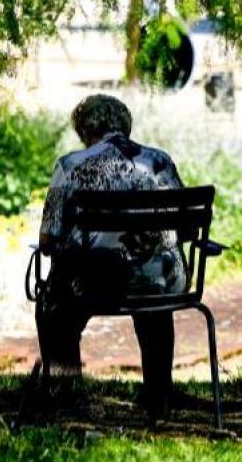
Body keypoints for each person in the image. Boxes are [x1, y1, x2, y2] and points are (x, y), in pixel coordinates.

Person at [36, 94, 187, 415]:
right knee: (154, 308)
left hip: (94, 285)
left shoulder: (70, 166)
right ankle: (158, 399)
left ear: (85, 131)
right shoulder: (160, 162)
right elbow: (184, 227)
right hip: (160, 284)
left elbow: (48, 240)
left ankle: (66, 397)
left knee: (56, 311)